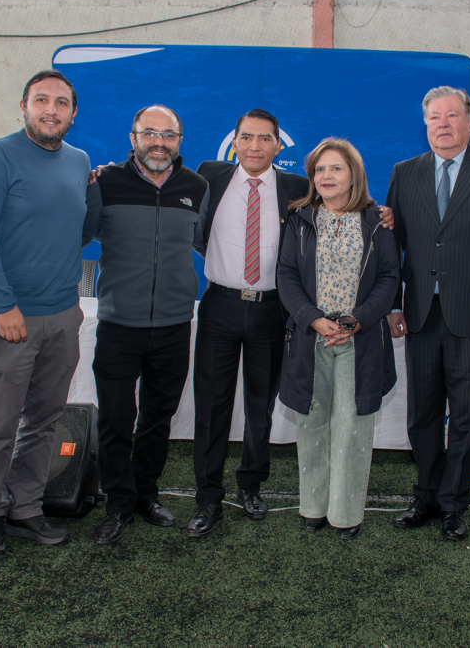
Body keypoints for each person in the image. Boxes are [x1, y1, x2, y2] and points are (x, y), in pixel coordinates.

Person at [0, 70, 96, 553]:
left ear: (72, 113)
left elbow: (75, 231)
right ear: (23, 105)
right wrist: (4, 303)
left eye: (61, 103)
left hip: (64, 314)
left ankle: (26, 509)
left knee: (44, 420)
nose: (51, 110)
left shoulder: (79, 161)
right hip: (11, 318)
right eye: (42, 100)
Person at [385, 86, 470, 541]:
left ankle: (454, 505)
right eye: (434, 118)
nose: (442, 124)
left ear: (469, 121)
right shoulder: (405, 174)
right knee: (421, 414)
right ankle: (425, 495)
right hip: (421, 314)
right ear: (425, 124)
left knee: (465, 415)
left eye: (451, 116)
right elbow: (391, 248)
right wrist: (393, 304)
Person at [85, 105, 209, 545]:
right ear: (133, 136)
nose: (159, 142)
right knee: (117, 419)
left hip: (175, 325)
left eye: (169, 134)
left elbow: (212, 240)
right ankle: (118, 501)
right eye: (149, 133)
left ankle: (145, 494)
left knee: (158, 419)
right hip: (119, 325)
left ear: (180, 140)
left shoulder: (196, 185)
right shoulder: (106, 182)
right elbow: (81, 233)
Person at [186, 110, 309, 535]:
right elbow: (194, 231)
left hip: (272, 311)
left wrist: (379, 214)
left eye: (264, 139)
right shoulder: (209, 177)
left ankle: (251, 485)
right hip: (219, 306)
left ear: (278, 145)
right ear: (234, 141)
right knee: (212, 406)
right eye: (246, 137)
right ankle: (207, 496)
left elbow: (339, 207)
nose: (254, 146)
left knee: (261, 407)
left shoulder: (296, 187)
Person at [277, 138, 400, 539]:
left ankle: (346, 514)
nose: (326, 176)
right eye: (319, 169)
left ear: (354, 175)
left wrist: (356, 321)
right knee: (312, 424)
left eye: (336, 168)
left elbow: (389, 278)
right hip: (311, 337)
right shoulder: (299, 220)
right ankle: (312, 507)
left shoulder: (376, 220)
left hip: (357, 340)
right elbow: (286, 276)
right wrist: (313, 320)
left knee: (352, 428)